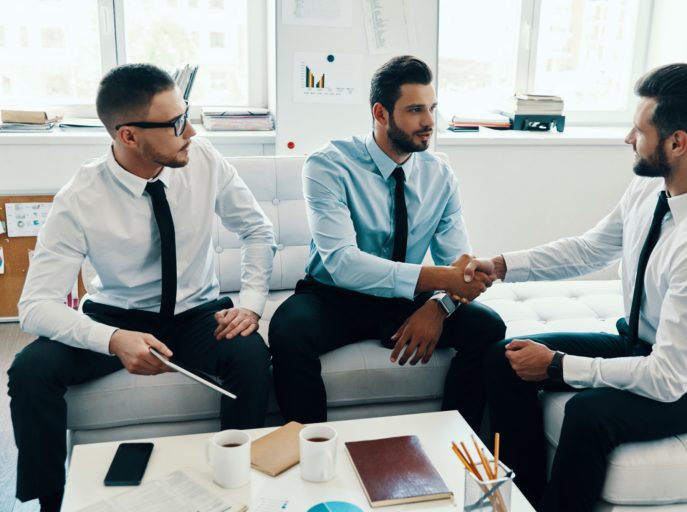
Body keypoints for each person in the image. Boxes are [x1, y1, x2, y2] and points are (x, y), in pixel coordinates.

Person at [465, 63, 687, 511]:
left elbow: (667, 378)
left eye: (638, 130)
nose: (628, 139)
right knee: (504, 358)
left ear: (678, 143)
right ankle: (518, 501)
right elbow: (590, 249)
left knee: (588, 416)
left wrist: (559, 365)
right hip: (639, 344)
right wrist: (503, 265)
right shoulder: (652, 188)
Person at [7, 64, 276, 512]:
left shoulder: (204, 158)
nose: (190, 130)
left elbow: (258, 231)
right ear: (128, 136)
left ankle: (235, 487)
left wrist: (250, 305)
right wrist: (111, 339)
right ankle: (52, 503)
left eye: (185, 114)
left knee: (250, 358)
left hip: (196, 313)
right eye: (174, 124)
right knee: (30, 372)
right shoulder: (80, 197)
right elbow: (34, 305)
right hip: (116, 317)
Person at [268, 55, 505, 431]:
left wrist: (439, 308)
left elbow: (459, 266)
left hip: (405, 300)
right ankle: (310, 451)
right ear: (380, 113)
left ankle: (455, 440)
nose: (429, 122)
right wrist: (443, 280)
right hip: (334, 296)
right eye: (415, 110)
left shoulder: (439, 174)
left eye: (432, 108)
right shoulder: (328, 166)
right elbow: (343, 263)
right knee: (288, 331)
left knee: (489, 327)